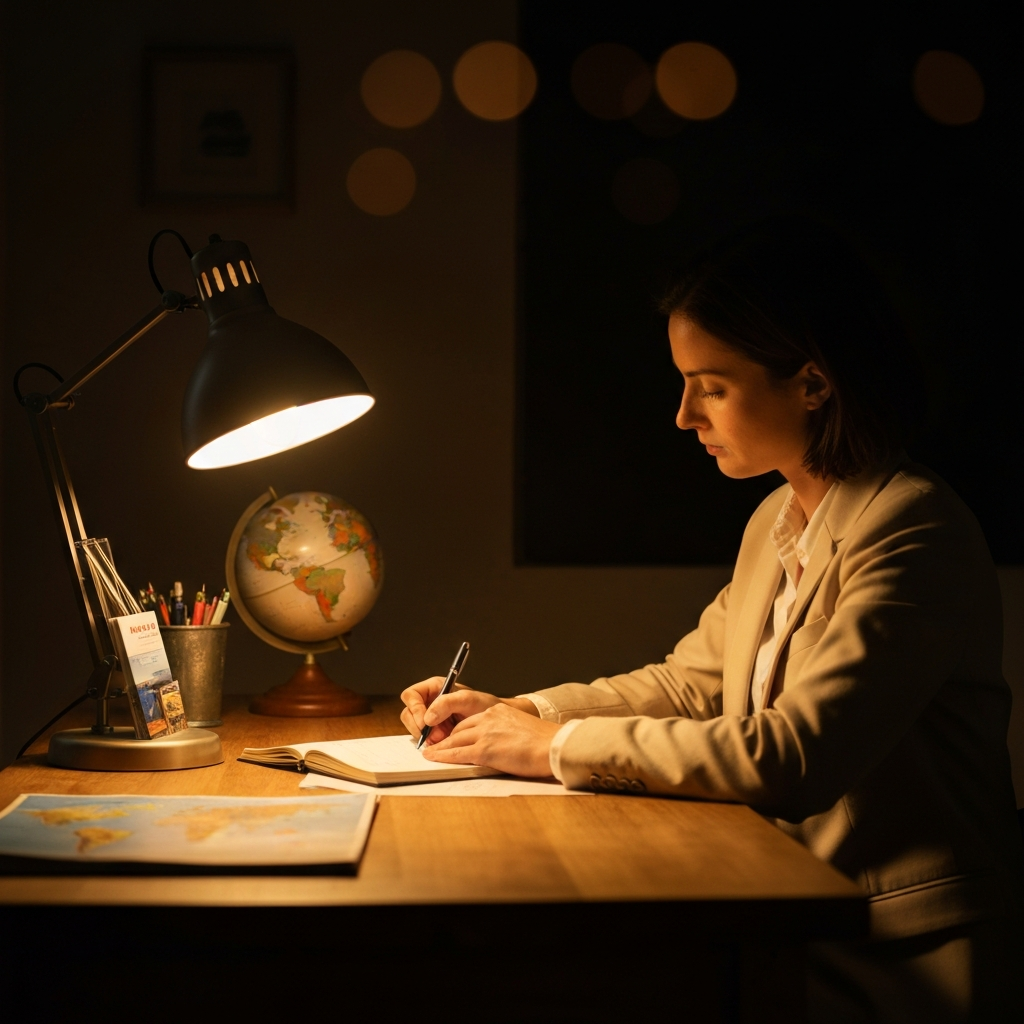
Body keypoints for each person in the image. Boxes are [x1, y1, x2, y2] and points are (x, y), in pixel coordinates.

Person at [400, 219, 1023, 1021]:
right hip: (794, 915)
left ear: (813, 382)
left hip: (909, 956)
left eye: (712, 386)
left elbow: (797, 757)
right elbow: (690, 683)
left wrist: (550, 748)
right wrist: (520, 711)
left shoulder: (914, 527)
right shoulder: (778, 517)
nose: (684, 415)